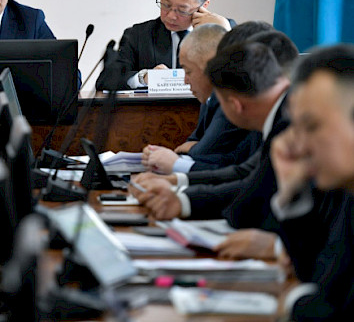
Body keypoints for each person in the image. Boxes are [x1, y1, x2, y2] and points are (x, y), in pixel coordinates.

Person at [133, 40, 291, 260]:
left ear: (234, 106)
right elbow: (246, 173)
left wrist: (277, 248)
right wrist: (179, 190)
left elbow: (251, 193)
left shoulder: (290, 122)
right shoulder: (275, 113)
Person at [269, 45, 354, 320]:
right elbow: (321, 281)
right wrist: (293, 192)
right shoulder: (346, 192)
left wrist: (294, 301)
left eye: (313, 126)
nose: (300, 146)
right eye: (297, 128)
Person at [96, 0, 233, 91]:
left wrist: (224, 35)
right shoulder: (138, 35)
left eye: (182, 10)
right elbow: (106, 80)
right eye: (166, 5)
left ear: (204, 6)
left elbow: (240, 79)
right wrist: (144, 78)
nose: (171, 16)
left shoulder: (226, 30)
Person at [140, 24, 252, 174]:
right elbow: (191, 143)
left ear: (209, 67)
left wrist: (189, 150)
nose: (185, 81)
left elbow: (205, 151)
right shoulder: (207, 97)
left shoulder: (231, 98)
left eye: (188, 71)